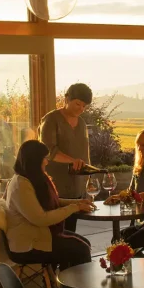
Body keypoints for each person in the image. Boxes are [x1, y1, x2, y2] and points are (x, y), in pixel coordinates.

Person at [4, 140, 103, 288]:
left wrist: (77, 202)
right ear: (35, 160)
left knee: (80, 242)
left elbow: (53, 203)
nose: (47, 161)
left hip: (38, 235)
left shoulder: (30, 179)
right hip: (28, 244)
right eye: (44, 158)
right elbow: (41, 219)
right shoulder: (21, 185)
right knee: (79, 248)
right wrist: (74, 208)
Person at [40, 83, 92, 233]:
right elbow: (48, 150)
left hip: (77, 187)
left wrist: (89, 180)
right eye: (77, 104)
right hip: (56, 186)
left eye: (84, 106)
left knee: (71, 232)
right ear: (67, 99)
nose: (81, 109)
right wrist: (71, 160)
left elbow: (84, 153)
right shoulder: (51, 120)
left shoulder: (81, 124)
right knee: (55, 233)